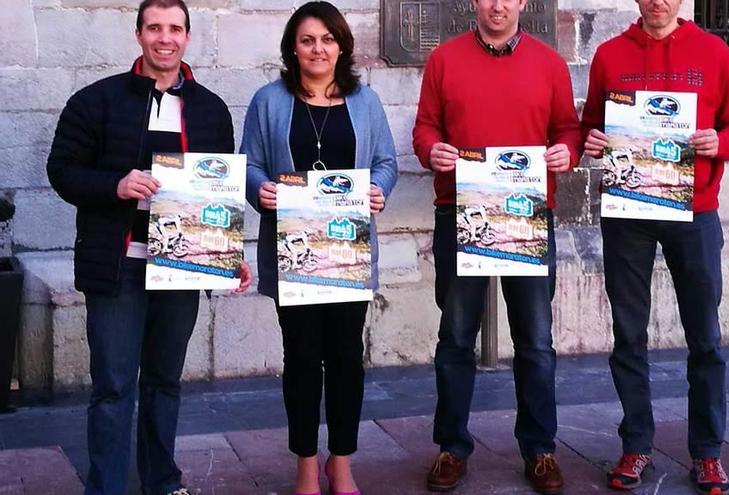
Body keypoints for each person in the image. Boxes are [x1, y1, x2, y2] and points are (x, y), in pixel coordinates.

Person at [46, 1, 251, 494]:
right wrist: (115, 185)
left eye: (175, 28)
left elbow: (218, 194)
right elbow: (62, 170)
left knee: (164, 382)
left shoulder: (210, 109)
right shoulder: (95, 101)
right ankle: (108, 487)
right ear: (138, 34)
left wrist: (228, 256)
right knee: (114, 386)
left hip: (180, 266)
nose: (166, 38)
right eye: (155, 27)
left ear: (188, 36)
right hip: (118, 266)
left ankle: (161, 481)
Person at [580, 1, 729, 494]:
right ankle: (636, 444)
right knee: (628, 333)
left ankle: (708, 452)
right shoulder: (610, 55)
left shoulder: (714, 52)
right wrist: (591, 139)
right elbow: (591, 122)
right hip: (628, 213)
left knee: (705, 337)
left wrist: (720, 143)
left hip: (695, 212)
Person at [411, 0, 582, 492]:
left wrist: (565, 151)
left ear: (523, 2)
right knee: (456, 338)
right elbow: (425, 126)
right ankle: (451, 447)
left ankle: (541, 449)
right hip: (460, 212)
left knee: (535, 341)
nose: (499, 4)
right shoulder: (444, 59)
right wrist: (431, 149)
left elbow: (567, 130)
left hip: (527, 216)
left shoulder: (549, 63)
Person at [239, 3, 397, 495]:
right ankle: (306, 464)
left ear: (342, 46)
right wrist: (259, 188)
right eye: (308, 40)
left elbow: (386, 162)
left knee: (348, 359)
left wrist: (379, 191)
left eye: (328, 39)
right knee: (303, 359)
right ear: (292, 47)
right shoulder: (268, 101)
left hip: (349, 255)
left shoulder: (366, 102)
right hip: (294, 255)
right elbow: (249, 165)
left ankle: (342, 462)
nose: (318, 48)